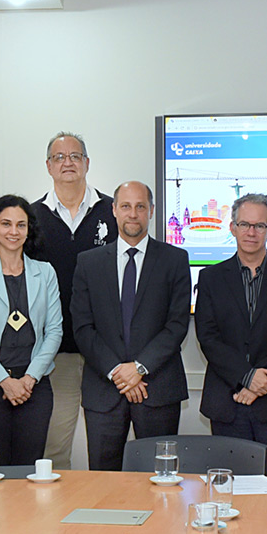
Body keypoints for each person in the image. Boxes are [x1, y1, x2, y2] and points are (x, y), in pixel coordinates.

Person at [71, 181, 190, 471]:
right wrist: (117, 371)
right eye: (125, 206)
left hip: (157, 388)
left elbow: (176, 325)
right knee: (103, 480)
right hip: (103, 390)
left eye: (140, 207)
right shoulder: (88, 262)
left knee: (162, 480)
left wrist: (138, 368)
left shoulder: (175, 260)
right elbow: (83, 328)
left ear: (151, 211)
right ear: (114, 210)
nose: (133, 214)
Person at [195, 193, 267, 477]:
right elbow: (208, 338)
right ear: (232, 227)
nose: (251, 232)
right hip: (227, 403)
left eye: (260, 225)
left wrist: (260, 381)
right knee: (230, 495)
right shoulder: (210, 278)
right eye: (244, 224)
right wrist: (247, 377)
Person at [31, 132, 117, 471]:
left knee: (111, 451)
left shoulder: (113, 212)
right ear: (49, 166)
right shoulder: (31, 218)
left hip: (108, 351)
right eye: (59, 157)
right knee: (54, 451)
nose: (68, 162)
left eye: (75, 156)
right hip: (58, 354)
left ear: (87, 163)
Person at [0, 195, 62, 465]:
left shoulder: (45, 273)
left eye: (21, 225)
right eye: (6, 224)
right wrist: (5, 382)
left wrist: (29, 380)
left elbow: (54, 332)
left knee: (29, 470)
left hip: (35, 388)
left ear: (29, 229)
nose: (13, 232)